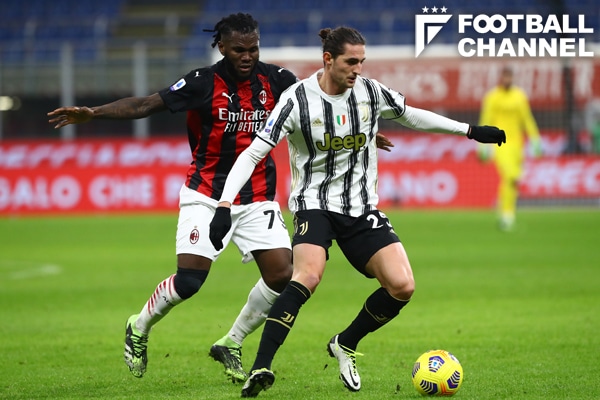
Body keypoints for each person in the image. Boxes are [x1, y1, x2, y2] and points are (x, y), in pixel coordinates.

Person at [208, 26, 506, 397]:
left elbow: (411, 115)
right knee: (307, 275)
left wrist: (470, 130)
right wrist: (224, 204)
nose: (358, 69)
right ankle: (261, 366)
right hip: (314, 204)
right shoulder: (296, 100)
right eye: (351, 61)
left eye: (362, 61)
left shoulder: (369, 92)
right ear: (328, 59)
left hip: (361, 207)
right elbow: (254, 152)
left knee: (402, 286)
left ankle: (345, 343)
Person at [47, 13, 299, 383]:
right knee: (190, 282)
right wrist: (93, 113)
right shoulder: (201, 82)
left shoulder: (277, 80)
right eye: (239, 50)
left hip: (257, 196)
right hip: (206, 194)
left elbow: (314, 109)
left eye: (253, 49)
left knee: (281, 275)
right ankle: (139, 325)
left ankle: (231, 341)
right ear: (222, 47)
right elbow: (145, 105)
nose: (247, 56)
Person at [478, 65, 542, 231]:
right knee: (511, 176)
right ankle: (506, 215)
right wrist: (482, 144)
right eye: (505, 76)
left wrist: (535, 139)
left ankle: (506, 211)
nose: (507, 79)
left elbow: (527, 119)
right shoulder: (492, 97)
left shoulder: (519, 96)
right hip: (499, 144)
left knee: (513, 181)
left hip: (517, 145)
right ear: (501, 78)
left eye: (510, 77)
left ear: (512, 78)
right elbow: (486, 119)